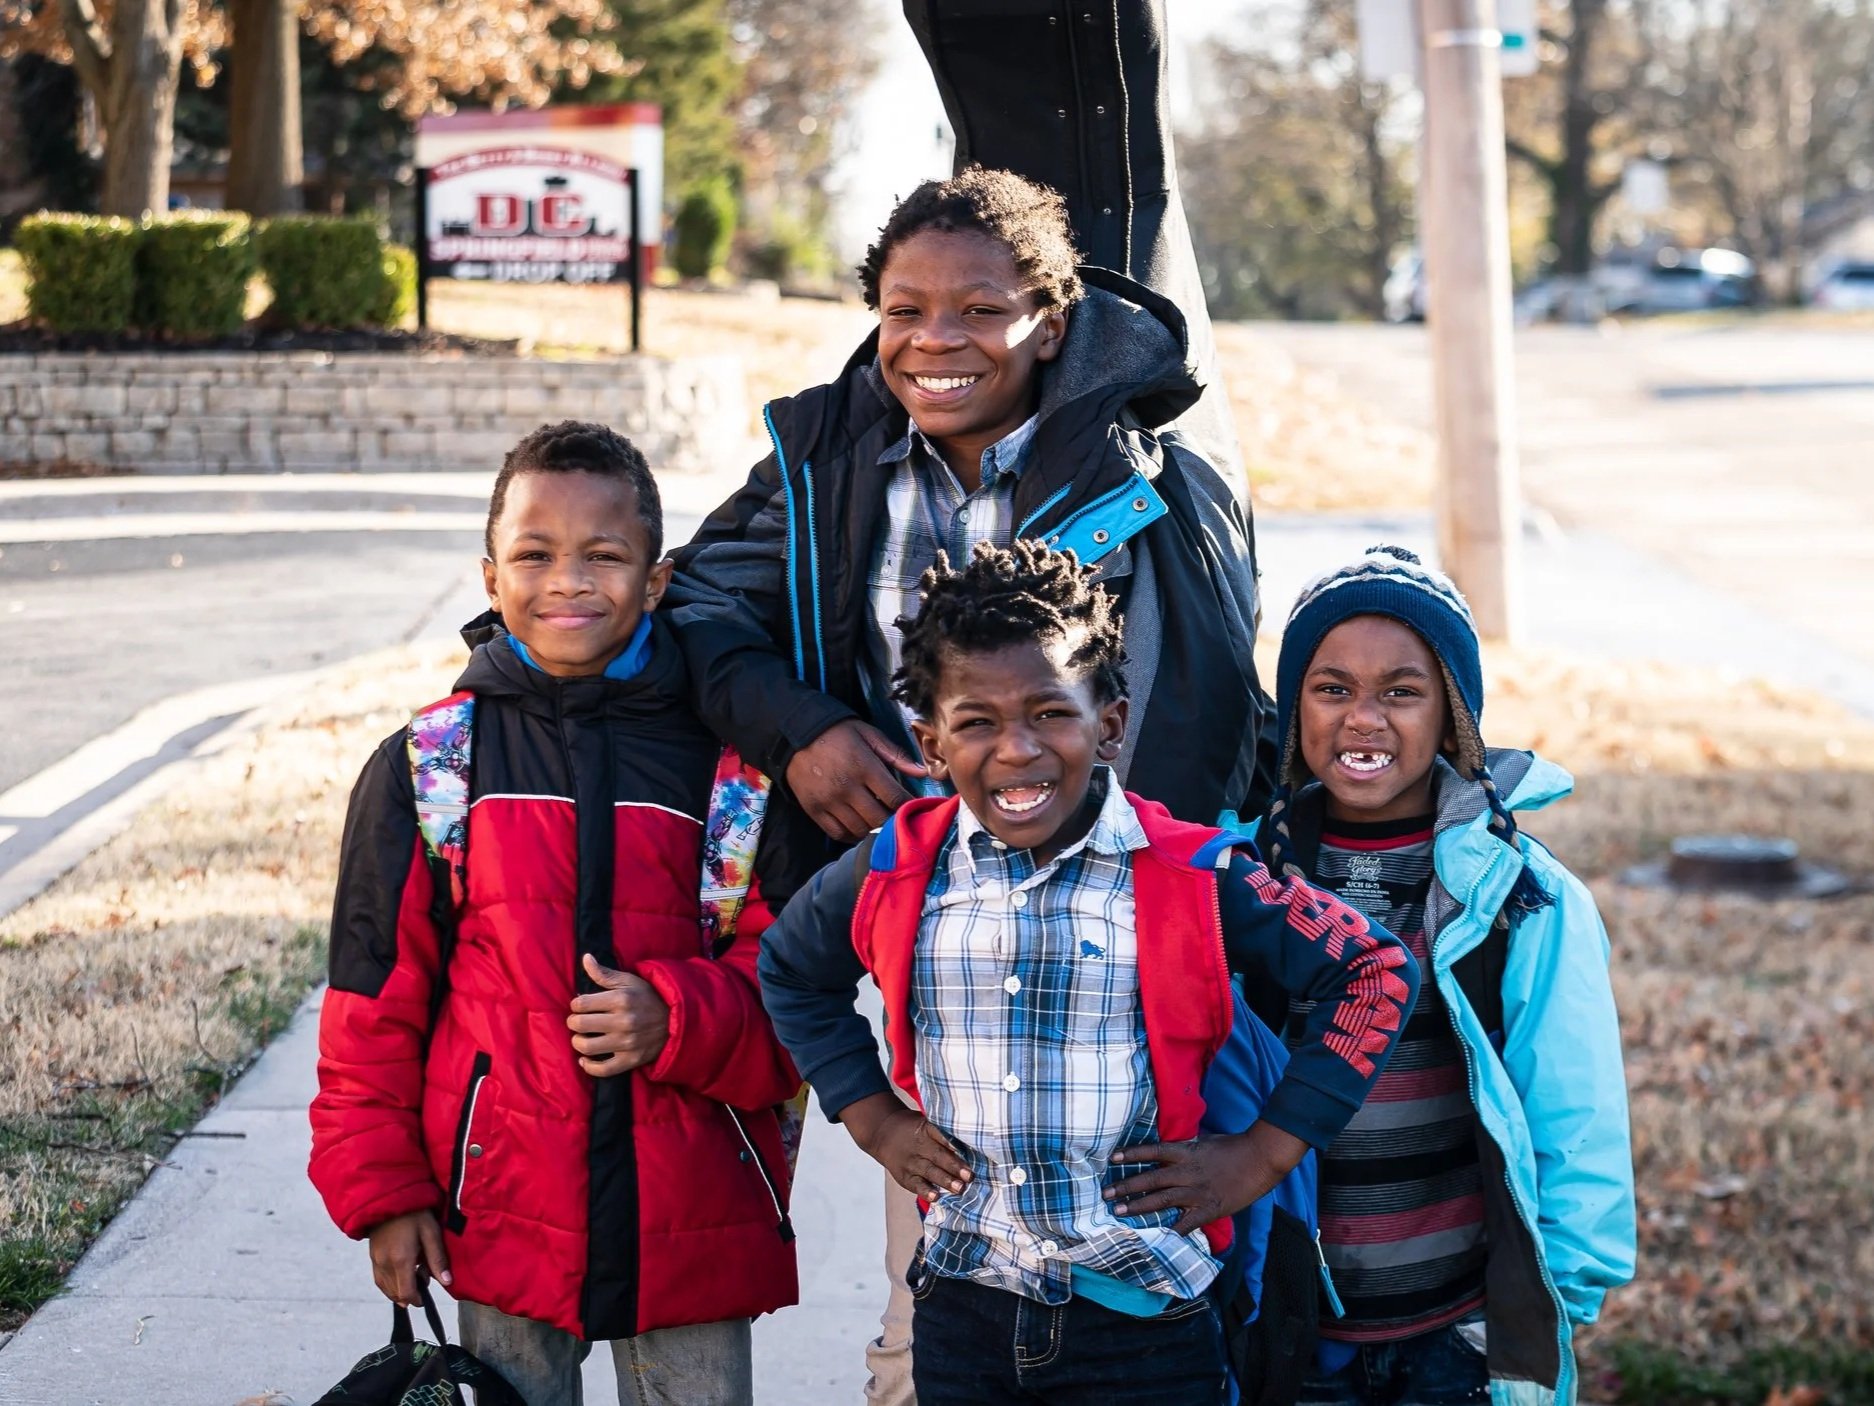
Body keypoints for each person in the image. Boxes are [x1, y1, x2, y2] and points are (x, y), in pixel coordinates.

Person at [664, 165, 1268, 1399]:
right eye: (904, 310)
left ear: (1048, 319)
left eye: (980, 310)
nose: (937, 341)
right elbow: (700, 603)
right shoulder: (827, 456)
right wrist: (807, 734)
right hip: (913, 913)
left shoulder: (1140, 479)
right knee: (936, 1240)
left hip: (1104, 940)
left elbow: (1207, 703)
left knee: (1130, 1239)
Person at [757, 542, 1420, 1406]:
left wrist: (1261, 1154)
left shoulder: (1197, 872)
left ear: (1108, 722)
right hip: (964, 1313)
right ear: (932, 742)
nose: (1016, 750)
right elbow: (789, 970)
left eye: (1048, 713)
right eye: (977, 723)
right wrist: (873, 1116)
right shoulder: (895, 867)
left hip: (1145, 1325)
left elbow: (1373, 971)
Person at [308, 421, 800, 1406]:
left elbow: (795, 992)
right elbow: (372, 1000)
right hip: (499, 1208)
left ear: (655, 580)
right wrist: (386, 1194)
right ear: (490, 576)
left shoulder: (733, 770)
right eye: (535, 554)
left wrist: (678, 1016)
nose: (568, 580)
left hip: (693, 1208)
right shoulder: (430, 767)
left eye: (603, 555)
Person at [1258, 546, 1636, 1406]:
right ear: (1294, 710)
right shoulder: (1246, 876)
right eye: (1332, 689)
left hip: (1454, 1332)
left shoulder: (1519, 894)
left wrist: (1551, 1298)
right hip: (1292, 1328)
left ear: (1452, 717)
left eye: (1401, 691)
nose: (1364, 718)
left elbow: (1573, 1106)